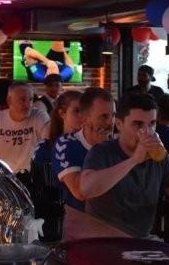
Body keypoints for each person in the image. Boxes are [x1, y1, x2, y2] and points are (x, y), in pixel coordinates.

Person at [79, 93, 169, 239]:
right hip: (103, 241)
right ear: (119, 124)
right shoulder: (102, 152)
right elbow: (86, 189)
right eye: (138, 124)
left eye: (152, 124)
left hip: (143, 241)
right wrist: (133, 160)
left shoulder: (158, 156)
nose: (147, 132)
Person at [51, 88, 115, 231]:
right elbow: (80, 191)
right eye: (103, 117)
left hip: (112, 225)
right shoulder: (67, 144)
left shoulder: (116, 147)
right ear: (84, 119)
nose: (110, 123)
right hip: (75, 228)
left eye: (113, 115)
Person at [31, 89, 82, 241]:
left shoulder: (94, 148)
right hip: (56, 221)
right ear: (62, 113)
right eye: (77, 111)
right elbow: (39, 188)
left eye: (85, 111)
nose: (82, 116)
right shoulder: (45, 148)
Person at [0, 81, 49, 174]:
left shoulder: (39, 116)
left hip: (34, 176)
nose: (28, 105)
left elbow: (51, 141)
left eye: (30, 100)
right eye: (22, 100)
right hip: (8, 178)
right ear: (9, 100)